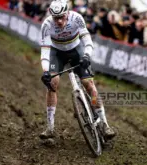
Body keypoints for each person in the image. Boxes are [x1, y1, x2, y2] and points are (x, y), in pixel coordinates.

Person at [39, 0, 116, 139]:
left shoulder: (76, 18)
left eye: (62, 17)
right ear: (51, 16)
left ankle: (105, 124)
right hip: (57, 54)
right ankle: (50, 127)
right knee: (52, 83)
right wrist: (45, 71)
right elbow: (45, 50)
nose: (60, 21)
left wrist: (86, 56)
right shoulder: (47, 25)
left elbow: (87, 40)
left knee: (89, 84)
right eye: (56, 18)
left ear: (67, 12)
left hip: (77, 50)